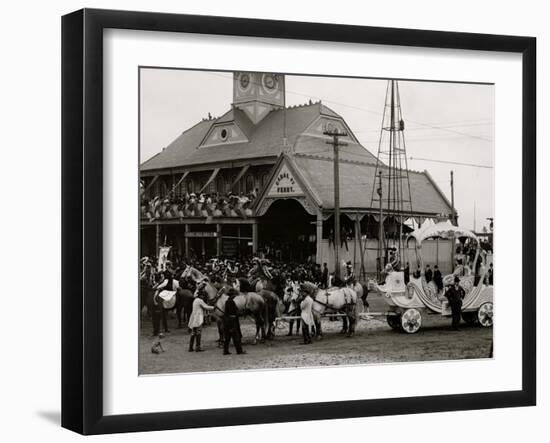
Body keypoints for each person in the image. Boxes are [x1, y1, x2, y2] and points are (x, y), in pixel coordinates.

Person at [187, 285, 214, 352]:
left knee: (193, 333)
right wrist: (213, 307)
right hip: (198, 318)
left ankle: (190, 347)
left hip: (193, 318)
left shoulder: (195, 300)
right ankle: (198, 347)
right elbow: (206, 307)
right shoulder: (200, 301)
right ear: (201, 295)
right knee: (198, 332)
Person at [223, 288, 246, 355]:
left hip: (227, 321)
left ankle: (225, 351)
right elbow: (233, 313)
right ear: (232, 295)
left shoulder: (227, 301)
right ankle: (239, 351)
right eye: (234, 295)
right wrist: (241, 313)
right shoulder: (231, 302)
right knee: (236, 337)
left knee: (227, 338)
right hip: (232, 321)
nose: (234, 296)